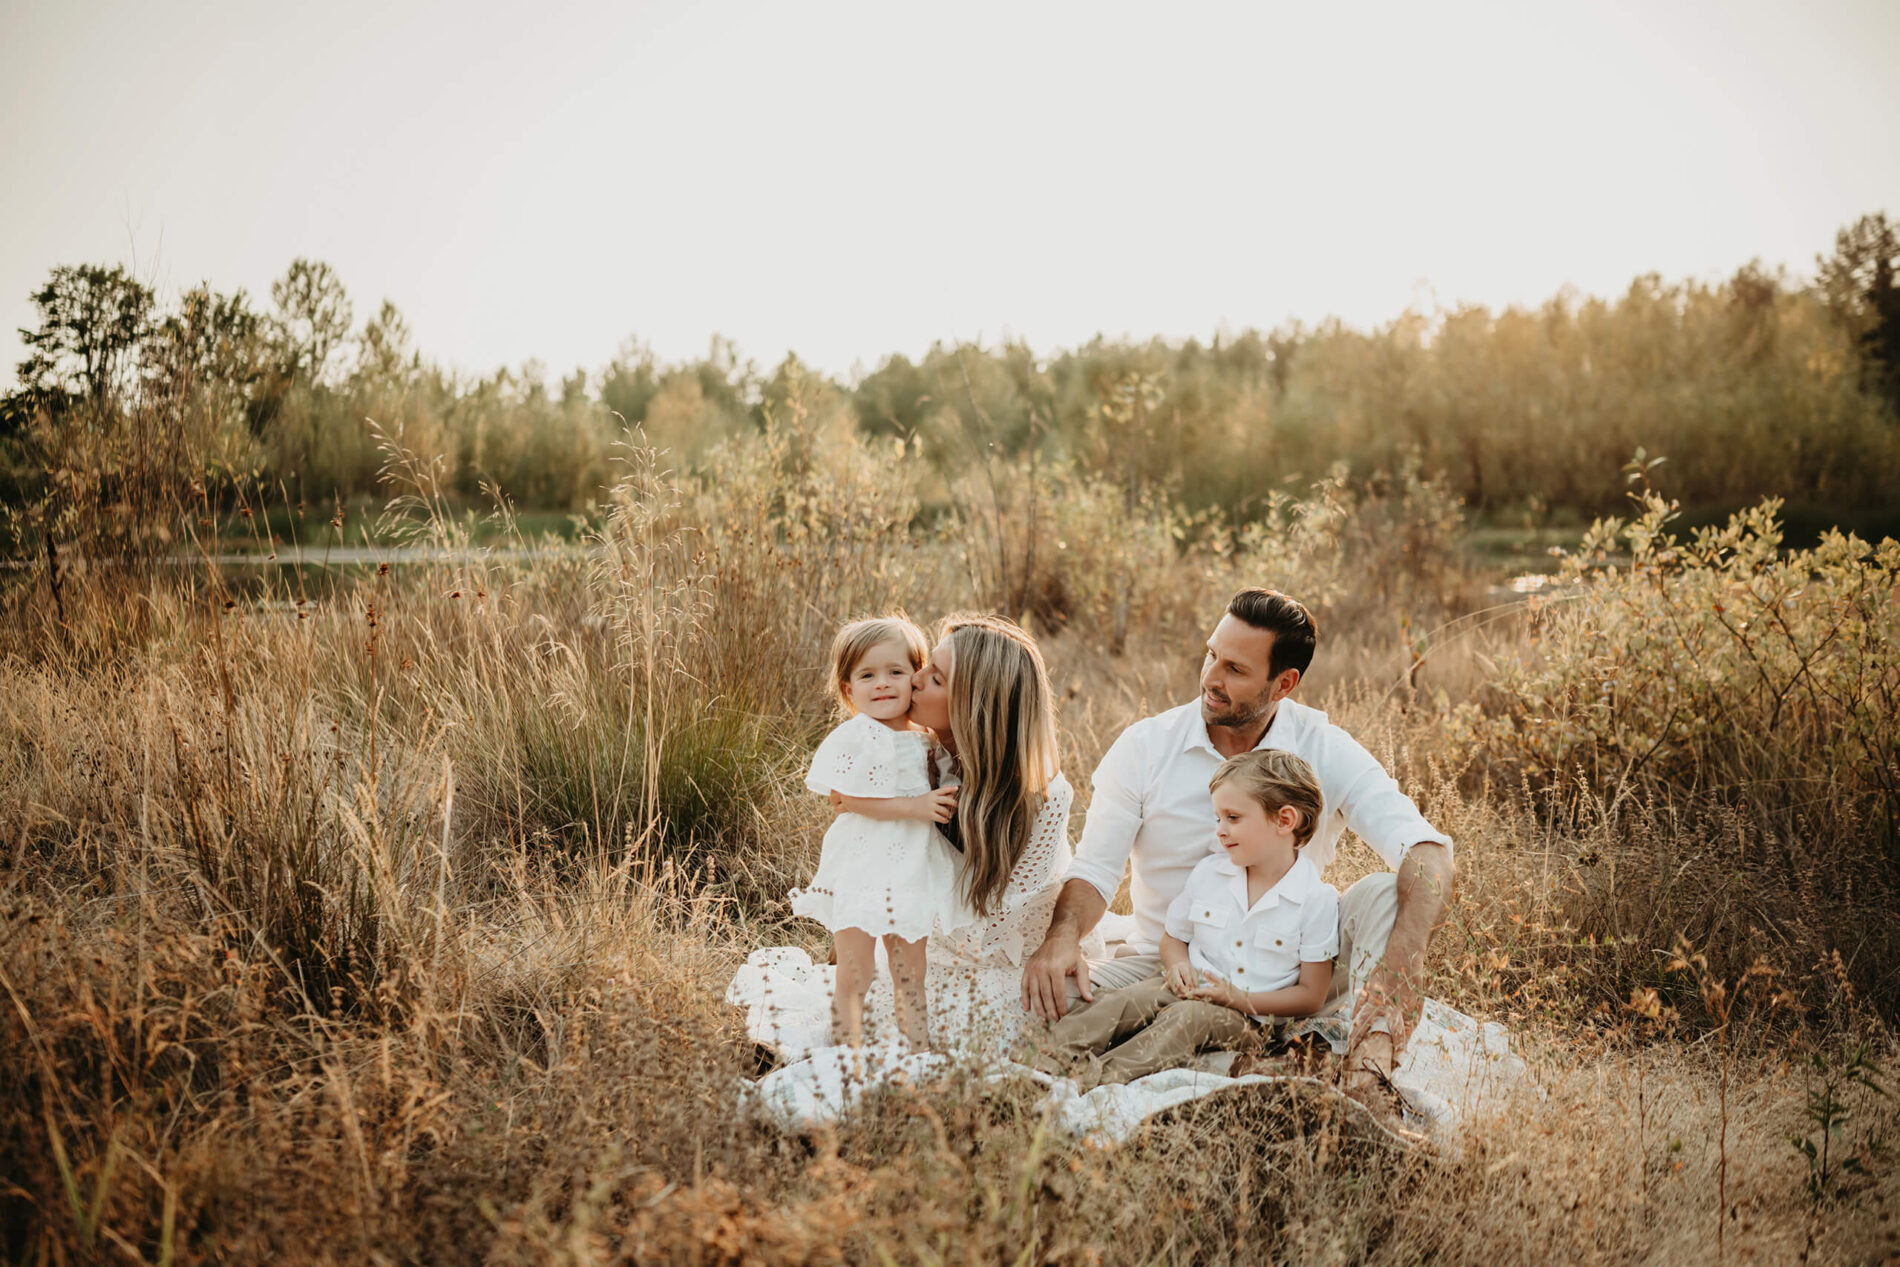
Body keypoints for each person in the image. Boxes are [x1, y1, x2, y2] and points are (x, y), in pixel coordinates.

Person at [1020, 587, 1455, 1098]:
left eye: (1236, 670)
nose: (1210, 678)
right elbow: (1095, 871)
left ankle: (1367, 1075)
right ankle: (1254, 1057)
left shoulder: (1324, 748)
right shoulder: (1145, 747)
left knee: (1385, 892)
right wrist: (1062, 937)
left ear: (1283, 684)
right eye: (1211, 655)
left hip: (1290, 972)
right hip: (1168, 961)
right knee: (1046, 1004)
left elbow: (1427, 850)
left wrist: (1404, 958)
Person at [1040, 749, 1338, 1084]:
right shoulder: (1210, 873)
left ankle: (1094, 1081)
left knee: (1186, 1019)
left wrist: (1239, 998)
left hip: (1248, 1018)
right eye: (1218, 818)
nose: (1220, 831)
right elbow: (1175, 938)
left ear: (1285, 820)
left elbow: (1312, 994)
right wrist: (1179, 965)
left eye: (1233, 818)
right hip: (1187, 986)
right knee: (1130, 1000)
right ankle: (1039, 1062)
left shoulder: (1316, 900)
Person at [790, 615, 965, 1050]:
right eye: (868, 675)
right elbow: (844, 800)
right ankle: (845, 1050)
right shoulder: (857, 736)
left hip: (912, 866)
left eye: (896, 672)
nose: (883, 684)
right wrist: (916, 806)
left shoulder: (926, 738)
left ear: (916, 677)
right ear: (849, 689)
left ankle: (918, 1050)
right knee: (857, 970)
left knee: (911, 969)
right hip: (864, 864)